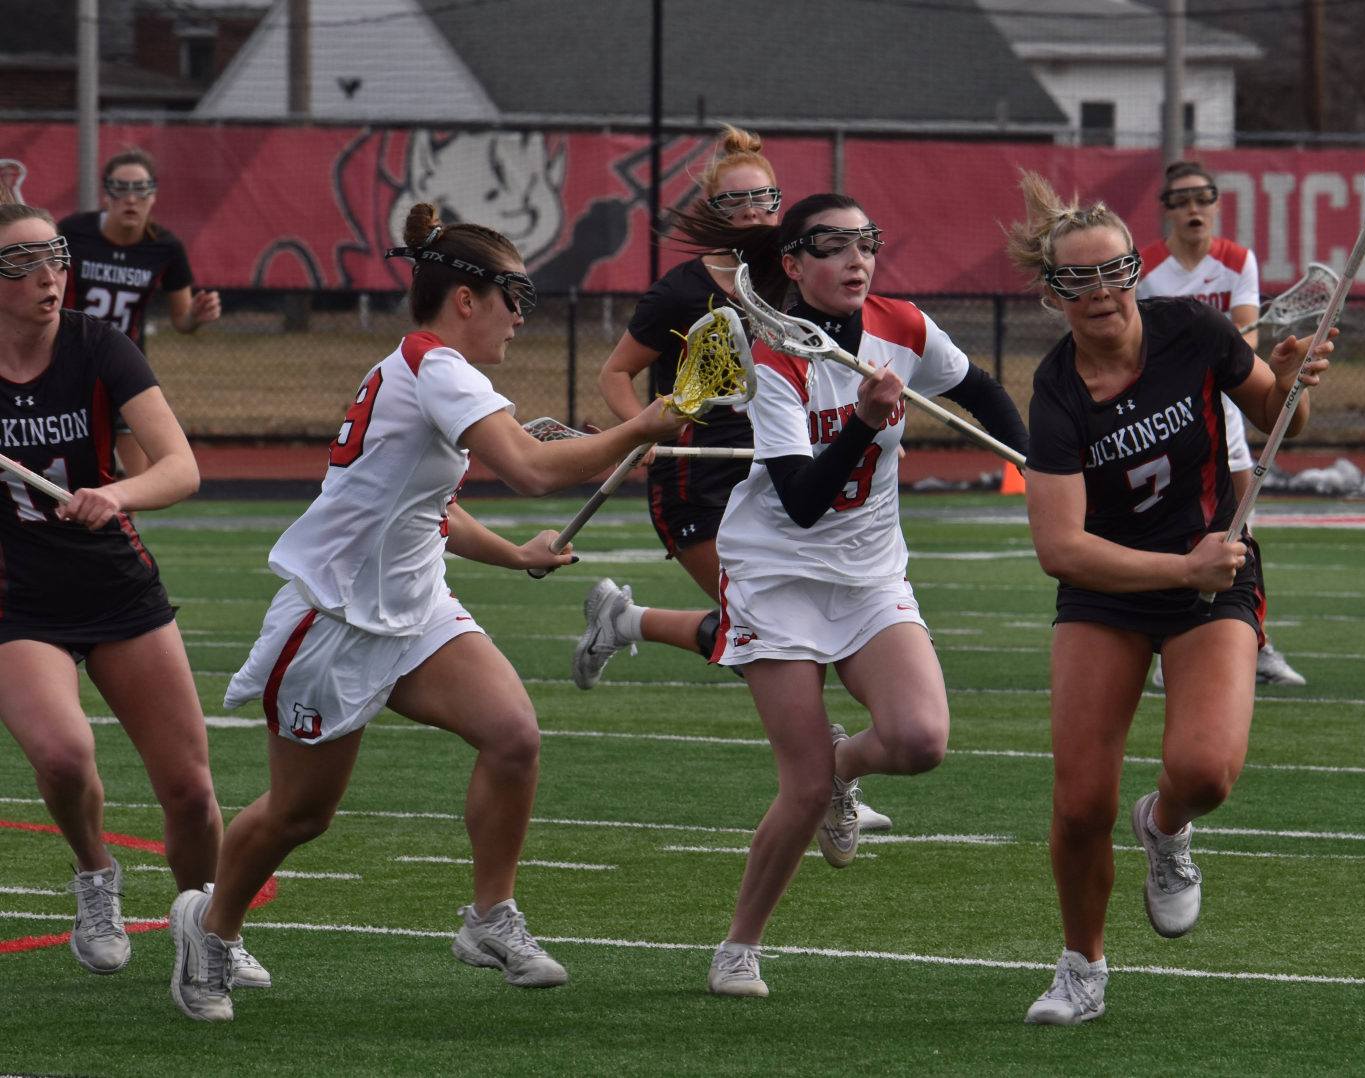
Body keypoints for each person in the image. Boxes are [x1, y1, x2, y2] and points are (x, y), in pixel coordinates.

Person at [170, 203, 689, 1022]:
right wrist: (640, 427)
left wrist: (515, 553)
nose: (522, 317)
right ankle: (210, 924)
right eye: (514, 297)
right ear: (467, 299)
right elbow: (528, 469)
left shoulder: (431, 370)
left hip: (416, 609)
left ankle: (488, 919)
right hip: (333, 618)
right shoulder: (436, 368)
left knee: (514, 736)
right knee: (302, 814)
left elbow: (431, 510)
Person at [675, 193, 1029, 998]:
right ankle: (738, 946)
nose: (856, 259)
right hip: (776, 575)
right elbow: (799, 500)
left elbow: (979, 390)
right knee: (796, 788)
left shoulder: (900, 324)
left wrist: (1038, 466)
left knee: (918, 741)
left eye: (866, 241)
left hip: (870, 572)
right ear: (792, 266)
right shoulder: (774, 358)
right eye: (831, 246)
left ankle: (844, 769)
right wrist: (866, 425)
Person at [1007, 172, 1332, 1025]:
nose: (1102, 292)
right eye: (1078, 280)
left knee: (1204, 774)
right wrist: (1174, 570)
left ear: (1134, 270)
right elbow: (1059, 548)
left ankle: (1167, 826)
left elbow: (1276, 420)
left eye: (1115, 270)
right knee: (1079, 804)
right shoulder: (1056, 394)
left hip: (1214, 572)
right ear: (1053, 295)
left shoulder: (1194, 329)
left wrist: (1292, 381)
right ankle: (1081, 967)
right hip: (1109, 588)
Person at [583, 127, 893, 829]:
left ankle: (626, 620)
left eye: (768, 197)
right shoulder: (681, 292)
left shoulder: (793, 279)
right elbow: (615, 374)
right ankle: (828, 777)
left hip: (779, 476)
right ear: (712, 209)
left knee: (773, 628)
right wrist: (645, 434)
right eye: (739, 200)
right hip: (700, 479)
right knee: (765, 632)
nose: (756, 210)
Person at [0, 194, 253, 984]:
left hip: (115, 587)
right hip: (18, 600)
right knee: (66, 754)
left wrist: (117, 494)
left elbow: (181, 467)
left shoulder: (98, 345)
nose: (48, 276)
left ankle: (208, 929)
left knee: (188, 788)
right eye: (23, 263)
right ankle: (95, 876)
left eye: (55, 258)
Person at [1138, 161, 1305, 688]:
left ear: (1215, 205)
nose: (1194, 208)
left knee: (1240, 531)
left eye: (1203, 197)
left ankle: (1256, 642)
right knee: (1169, 527)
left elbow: (1244, 342)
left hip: (1223, 412)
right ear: (1167, 209)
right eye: (1182, 199)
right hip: (1164, 416)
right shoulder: (1146, 267)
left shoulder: (1237, 261)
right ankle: (1167, 644)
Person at [58, 148, 221, 479]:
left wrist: (196, 317)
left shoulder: (165, 247)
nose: (130, 199)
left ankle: (122, 530)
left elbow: (181, 320)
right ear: (106, 192)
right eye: (120, 188)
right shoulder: (72, 232)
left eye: (140, 189)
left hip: (120, 364)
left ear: (154, 195)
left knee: (134, 482)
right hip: (65, 359)